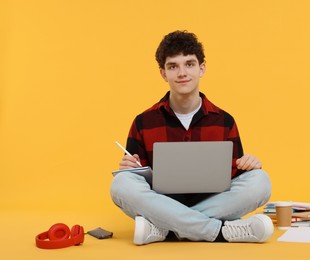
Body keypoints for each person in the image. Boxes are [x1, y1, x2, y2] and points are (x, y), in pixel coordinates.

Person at [110, 30, 273, 245]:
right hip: (162, 201)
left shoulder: (224, 121)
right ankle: (219, 231)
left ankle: (165, 229)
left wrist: (248, 165)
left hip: (209, 200)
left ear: (201, 68)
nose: (182, 73)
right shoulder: (143, 121)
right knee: (121, 183)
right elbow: (138, 177)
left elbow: (233, 175)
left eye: (189, 64)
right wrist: (130, 168)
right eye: (173, 66)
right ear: (163, 73)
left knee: (260, 181)